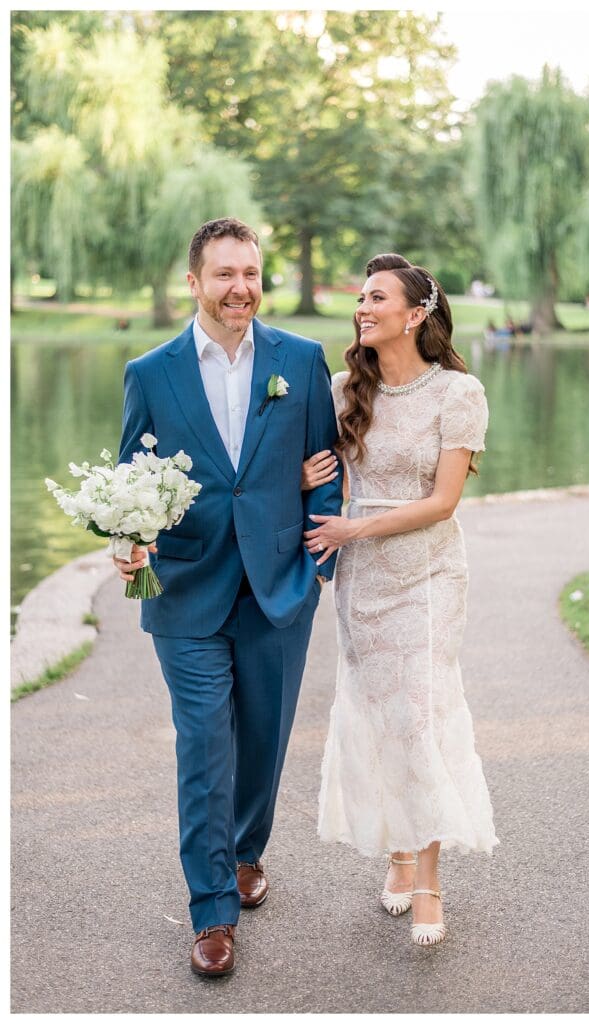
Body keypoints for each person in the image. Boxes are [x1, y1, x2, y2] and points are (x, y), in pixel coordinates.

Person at [113, 217, 342, 976]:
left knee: (263, 741)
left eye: (250, 273)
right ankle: (211, 910)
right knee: (204, 743)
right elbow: (129, 483)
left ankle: (246, 850)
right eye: (224, 274)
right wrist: (128, 542)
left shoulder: (301, 361)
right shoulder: (151, 372)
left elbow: (325, 463)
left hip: (279, 584)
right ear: (194, 281)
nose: (240, 288)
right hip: (185, 588)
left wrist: (316, 566)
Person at [301, 254, 498, 946]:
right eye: (361, 295)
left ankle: (429, 883)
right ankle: (398, 851)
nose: (363, 305)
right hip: (363, 584)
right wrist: (304, 477)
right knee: (379, 713)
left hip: (428, 577)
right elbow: (313, 477)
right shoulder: (339, 389)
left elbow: (443, 504)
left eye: (377, 296)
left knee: (420, 713)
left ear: (415, 315)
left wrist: (356, 524)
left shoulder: (457, 395)